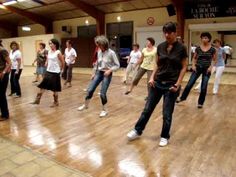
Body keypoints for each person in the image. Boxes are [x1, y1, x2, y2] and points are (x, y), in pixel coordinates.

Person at [127, 22, 188, 147]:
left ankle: (164, 136)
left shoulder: (181, 48)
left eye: (169, 32)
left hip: (171, 85)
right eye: (165, 32)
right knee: (147, 109)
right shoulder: (160, 46)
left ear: (175, 33)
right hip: (157, 82)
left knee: (167, 113)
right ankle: (138, 130)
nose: (167, 35)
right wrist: (152, 78)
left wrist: (178, 83)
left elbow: (184, 67)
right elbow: (157, 64)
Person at [77, 35, 120, 117]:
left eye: (99, 45)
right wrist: (93, 73)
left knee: (102, 93)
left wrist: (110, 70)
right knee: (90, 90)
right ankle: (86, 105)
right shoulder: (99, 51)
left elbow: (117, 65)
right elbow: (97, 64)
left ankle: (105, 110)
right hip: (99, 72)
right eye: (97, 45)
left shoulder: (111, 53)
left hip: (107, 73)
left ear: (104, 44)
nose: (98, 46)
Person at [176, 32, 216, 108]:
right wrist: (193, 66)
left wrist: (211, 67)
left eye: (206, 38)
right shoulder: (198, 48)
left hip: (207, 69)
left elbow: (214, 60)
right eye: (203, 37)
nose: (204, 39)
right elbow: (194, 58)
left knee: (204, 87)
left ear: (209, 39)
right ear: (201, 39)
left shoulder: (212, 49)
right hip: (197, 68)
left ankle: (200, 103)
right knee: (189, 84)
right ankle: (182, 98)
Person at [31, 39, 64, 107]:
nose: (50, 45)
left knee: (55, 88)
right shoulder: (49, 52)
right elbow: (48, 59)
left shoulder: (58, 52)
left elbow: (63, 62)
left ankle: (56, 102)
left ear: (55, 44)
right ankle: (37, 100)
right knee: (43, 85)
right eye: (49, 43)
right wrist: (46, 63)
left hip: (55, 72)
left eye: (51, 43)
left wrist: (61, 70)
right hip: (48, 71)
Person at [0, 42, 12, 121]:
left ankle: (5, 115)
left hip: (2, 75)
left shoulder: (2, 50)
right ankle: (3, 113)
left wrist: (3, 72)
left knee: (1, 95)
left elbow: (9, 63)